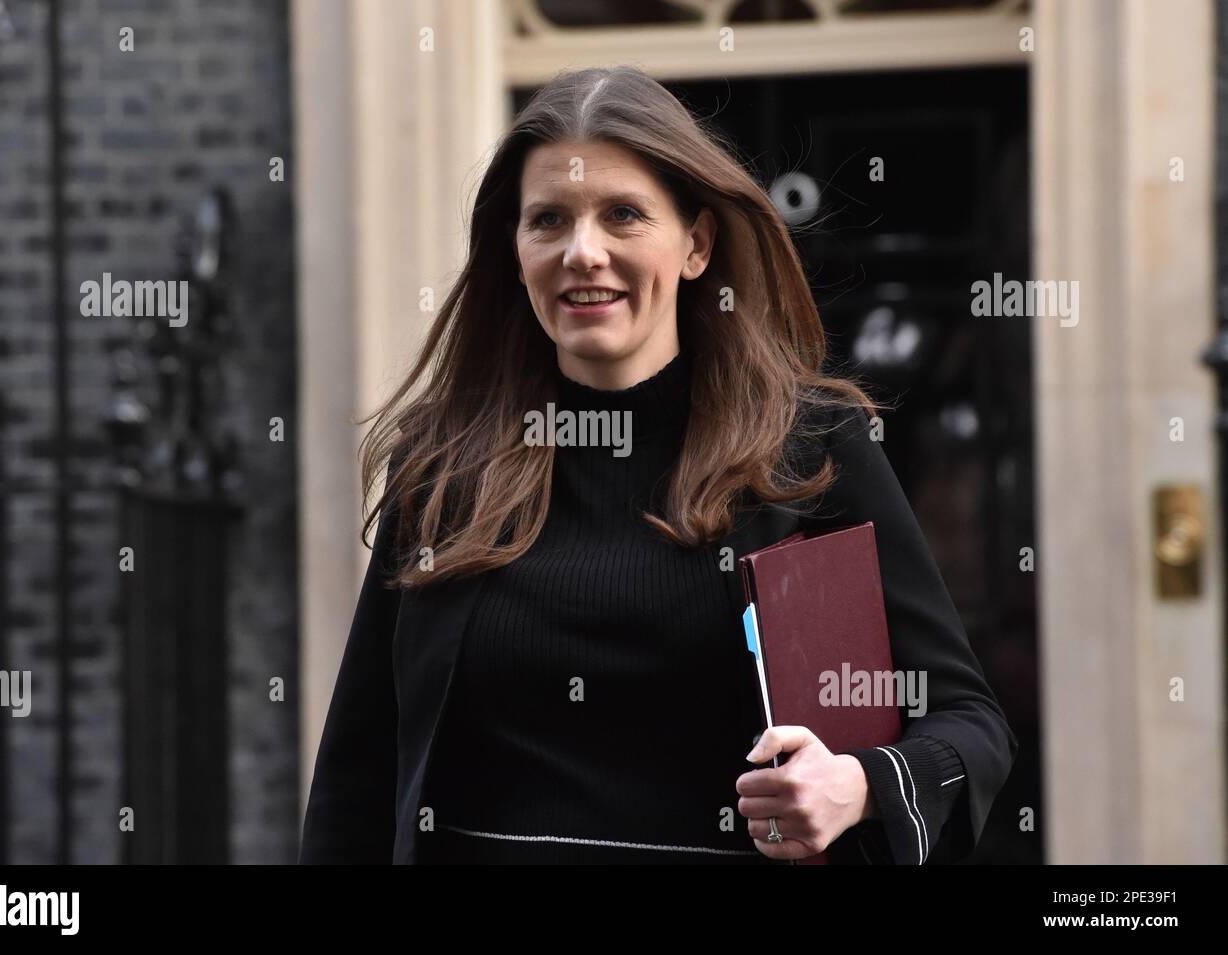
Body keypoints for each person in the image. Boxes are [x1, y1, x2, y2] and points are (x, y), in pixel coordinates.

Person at [299, 65, 1017, 865]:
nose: (583, 252)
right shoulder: (444, 467)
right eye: (548, 220)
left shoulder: (808, 449)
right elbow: (356, 780)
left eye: (623, 215)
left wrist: (857, 783)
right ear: (515, 249)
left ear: (697, 246)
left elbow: (966, 722)